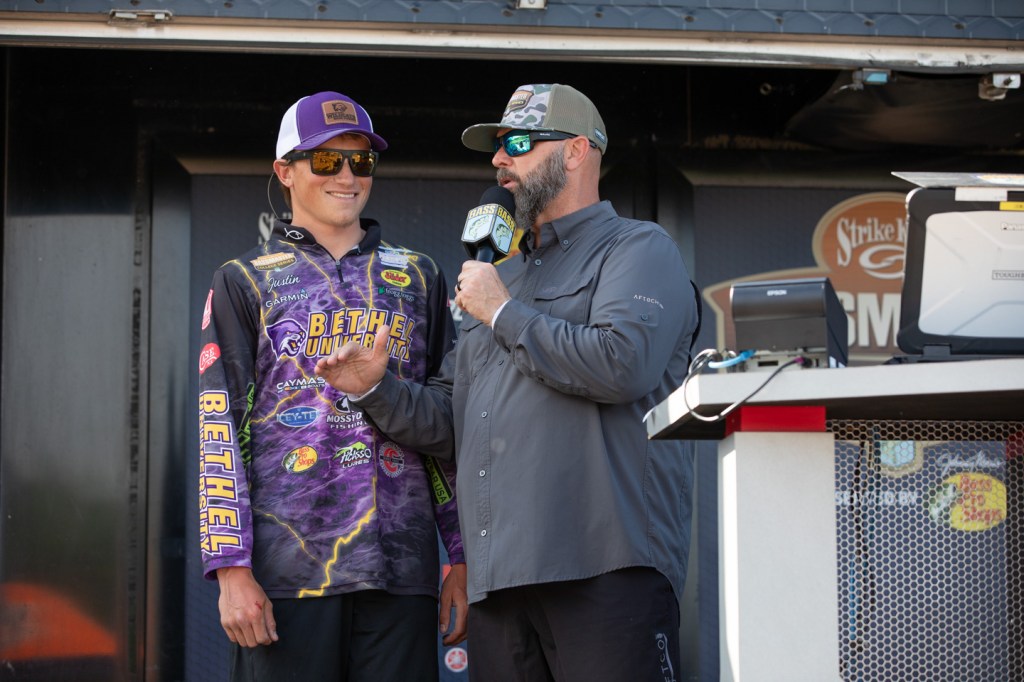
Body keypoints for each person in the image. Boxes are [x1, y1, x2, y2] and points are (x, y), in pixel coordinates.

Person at [315, 83, 700, 682]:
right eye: (496, 147)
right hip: (500, 585)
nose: (499, 160)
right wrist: (375, 389)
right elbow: (454, 421)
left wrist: (501, 312)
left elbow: (623, 364)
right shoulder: (500, 275)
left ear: (576, 150)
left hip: (604, 570)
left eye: (519, 144)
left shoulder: (638, 248)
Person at [197, 90, 467, 682]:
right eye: (326, 160)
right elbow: (218, 426)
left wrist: (461, 555)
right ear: (285, 172)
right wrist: (231, 569)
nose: (347, 175)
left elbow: (447, 429)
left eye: (361, 160)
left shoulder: (419, 275)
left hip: (401, 572)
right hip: (287, 575)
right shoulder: (242, 280)